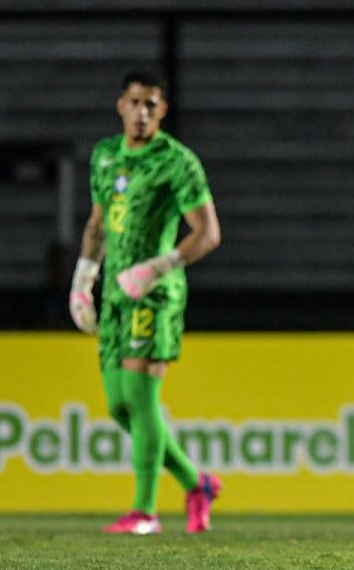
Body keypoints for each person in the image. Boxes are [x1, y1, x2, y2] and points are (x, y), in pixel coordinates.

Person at [69, 69, 223, 534]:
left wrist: (158, 266)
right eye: (135, 103)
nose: (142, 113)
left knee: (140, 397)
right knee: (119, 406)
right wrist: (83, 277)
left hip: (154, 294)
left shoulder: (177, 162)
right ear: (121, 106)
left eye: (151, 105)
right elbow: (98, 224)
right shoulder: (104, 157)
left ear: (163, 111)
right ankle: (197, 483)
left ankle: (145, 511)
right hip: (115, 293)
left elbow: (208, 232)